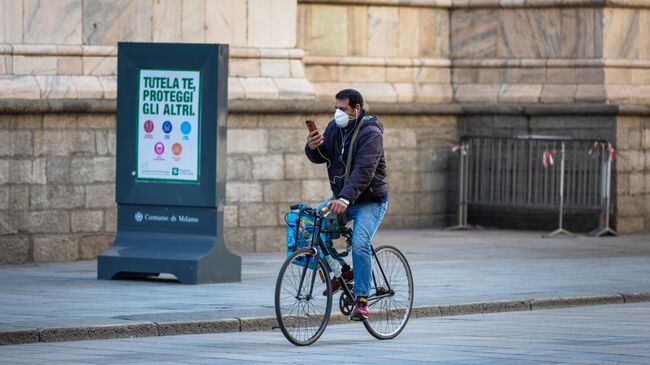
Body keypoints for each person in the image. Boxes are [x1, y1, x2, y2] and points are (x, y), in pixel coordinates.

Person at [304, 89, 388, 321]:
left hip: (369, 201)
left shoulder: (371, 132)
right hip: (342, 199)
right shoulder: (334, 127)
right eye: (336, 108)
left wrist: (344, 198)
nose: (338, 113)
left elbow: (364, 170)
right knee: (310, 224)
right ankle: (343, 271)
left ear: (357, 109)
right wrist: (312, 147)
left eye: (343, 109)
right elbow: (325, 156)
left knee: (361, 243)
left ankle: (361, 300)